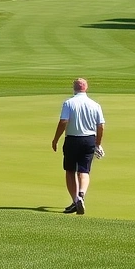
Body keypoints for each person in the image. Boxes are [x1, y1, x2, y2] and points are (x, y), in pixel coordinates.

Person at [51, 78, 105, 215]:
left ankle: (76, 200)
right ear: (86, 88)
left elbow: (63, 121)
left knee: (70, 170)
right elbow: (101, 126)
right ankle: (81, 194)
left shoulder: (69, 103)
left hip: (72, 140)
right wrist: (98, 143)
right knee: (84, 171)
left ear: (74, 88)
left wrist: (55, 139)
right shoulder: (95, 105)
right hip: (89, 140)